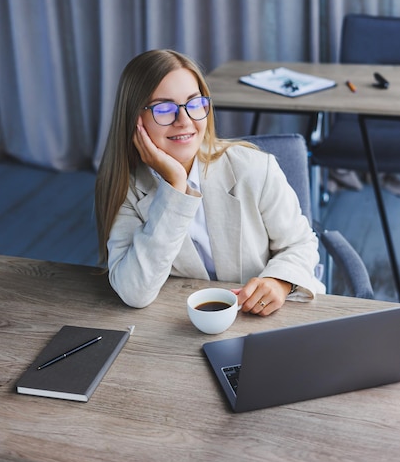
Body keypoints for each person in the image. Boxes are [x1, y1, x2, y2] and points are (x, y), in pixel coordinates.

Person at [95, 49, 325, 316]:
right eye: (164, 109)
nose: (185, 121)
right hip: (183, 326)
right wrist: (175, 186)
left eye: (194, 104)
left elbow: (300, 243)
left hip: (266, 317)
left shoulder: (253, 167)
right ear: (135, 120)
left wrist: (281, 282)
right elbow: (134, 291)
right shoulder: (128, 189)